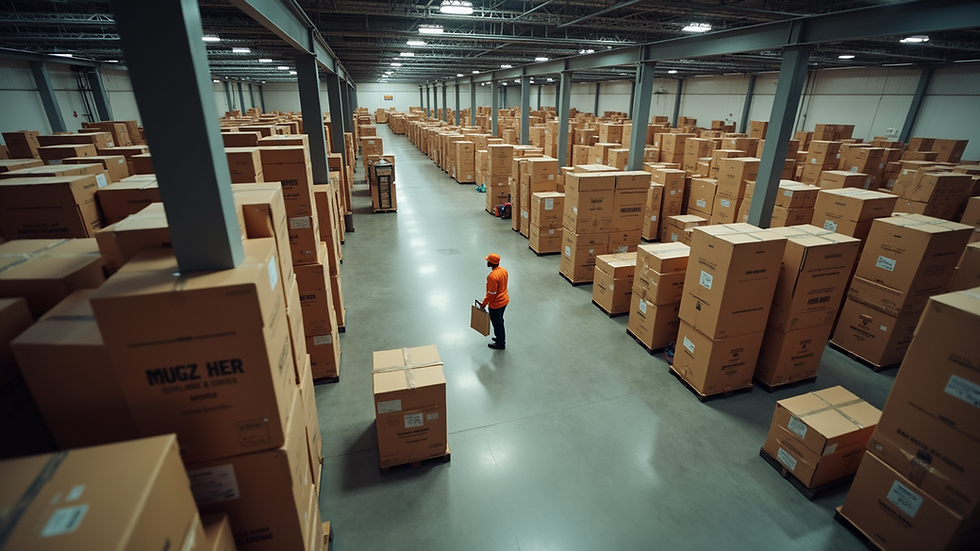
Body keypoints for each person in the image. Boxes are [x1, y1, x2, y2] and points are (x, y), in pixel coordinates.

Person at [479, 253, 509, 350]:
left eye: (488, 260)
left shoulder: (492, 276)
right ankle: (499, 338)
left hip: (496, 304)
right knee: (500, 321)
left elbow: (491, 294)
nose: (487, 262)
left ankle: (500, 343)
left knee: (497, 323)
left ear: (491, 263)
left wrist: (483, 304)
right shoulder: (503, 271)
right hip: (504, 300)